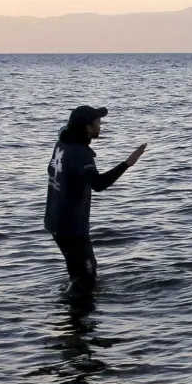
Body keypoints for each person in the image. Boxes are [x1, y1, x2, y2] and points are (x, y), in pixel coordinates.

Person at [43, 106, 148, 297]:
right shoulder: (81, 153)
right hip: (72, 227)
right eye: (98, 122)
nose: (101, 125)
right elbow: (98, 184)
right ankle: (79, 319)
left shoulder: (62, 144)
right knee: (86, 277)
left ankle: (71, 318)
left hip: (55, 221)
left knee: (78, 272)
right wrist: (127, 163)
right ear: (87, 127)